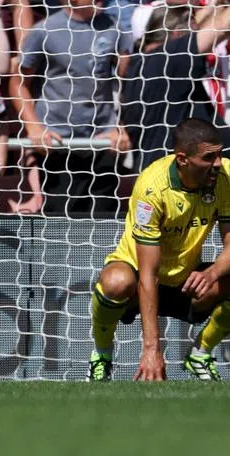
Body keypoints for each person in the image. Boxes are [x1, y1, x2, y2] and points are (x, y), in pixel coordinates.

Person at [87, 118, 230, 382]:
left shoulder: (226, 178)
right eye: (209, 157)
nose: (219, 163)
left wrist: (211, 274)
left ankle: (201, 354)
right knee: (115, 282)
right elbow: (149, 273)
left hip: (185, 280)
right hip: (139, 276)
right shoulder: (152, 188)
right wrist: (152, 349)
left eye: (220, 154)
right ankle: (102, 355)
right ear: (183, 159)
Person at [11, 0, 133, 216]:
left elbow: (129, 82)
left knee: (103, 219)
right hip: (57, 142)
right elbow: (18, 82)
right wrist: (34, 127)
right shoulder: (43, 31)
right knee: (60, 219)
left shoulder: (114, 27)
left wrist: (121, 125)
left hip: (103, 141)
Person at [122, 0, 230, 164]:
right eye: (193, 32)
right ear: (178, 35)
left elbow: (197, 24)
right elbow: (222, 26)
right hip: (175, 183)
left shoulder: (143, 64)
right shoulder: (168, 61)